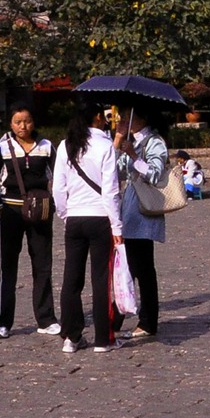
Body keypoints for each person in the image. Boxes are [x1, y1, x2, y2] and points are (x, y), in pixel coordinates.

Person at [0, 105, 61, 339]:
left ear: (33, 122)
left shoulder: (47, 147)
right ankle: (2, 321)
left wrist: (54, 205)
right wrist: (0, 207)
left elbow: (59, 179)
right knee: (7, 268)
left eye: (27, 121)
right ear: (11, 124)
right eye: (18, 122)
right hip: (11, 213)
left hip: (40, 214)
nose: (23, 126)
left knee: (43, 266)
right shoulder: (3, 148)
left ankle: (46, 318)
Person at [52, 100, 122, 354]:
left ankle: (71, 336)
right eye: (103, 116)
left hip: (75, 218)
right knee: (101, 279)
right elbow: (111, 191)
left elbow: (58, 187)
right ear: (95, 118)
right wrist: (117, 226)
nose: (105, 120)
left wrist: (65, 214)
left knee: (71, 278)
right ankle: (103, 338)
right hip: (100, 218)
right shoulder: (105, 146)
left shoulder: (65, 145)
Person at [111, 107, 168, 343]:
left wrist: (134, 156)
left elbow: (155, 174)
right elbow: (112, 170)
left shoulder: (154, 142)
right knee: (130, 263)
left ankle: (145, 320)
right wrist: (117, 141)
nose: (123, 121)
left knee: (141, 266)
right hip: (129, 208)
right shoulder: (130, 142)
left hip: (144, 208)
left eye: (126, 117)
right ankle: (117, 317)